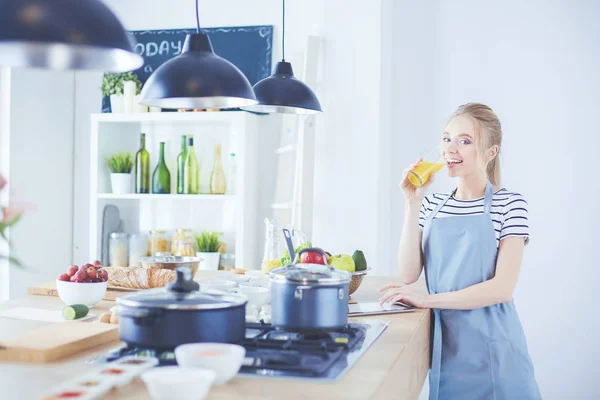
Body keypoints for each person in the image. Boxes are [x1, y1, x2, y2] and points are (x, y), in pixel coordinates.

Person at [379, 103, 541, 400]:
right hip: (447, 348)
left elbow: (502, 288)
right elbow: (408, 272)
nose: (450, 148)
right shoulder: (432, 204)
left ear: (491, 153)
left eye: (464, 141)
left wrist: (426, 299)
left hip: (495, 354)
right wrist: (412, 203)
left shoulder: (510, 204)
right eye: (446, 138)